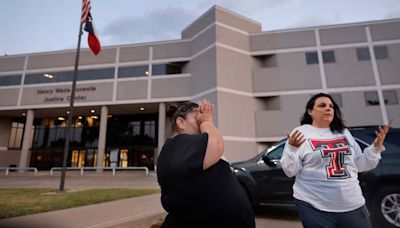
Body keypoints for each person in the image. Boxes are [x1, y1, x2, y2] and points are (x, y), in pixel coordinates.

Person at [280, 93, 389, 228]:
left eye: (331, 106)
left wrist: (376, 148)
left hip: (353, 205)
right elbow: (290, 171)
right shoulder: (301, 133)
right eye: (322, 105)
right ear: (310, 111)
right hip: (314, 205)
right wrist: (292, 149)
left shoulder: (343, 132)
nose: (328, 108)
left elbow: (360, 165)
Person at [157, 100, 255, 228]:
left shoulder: (191, 148)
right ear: (181, 122)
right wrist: (206, 121)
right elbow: (216, 144)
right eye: (198, 117)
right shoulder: (177, 144)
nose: (202, 121)